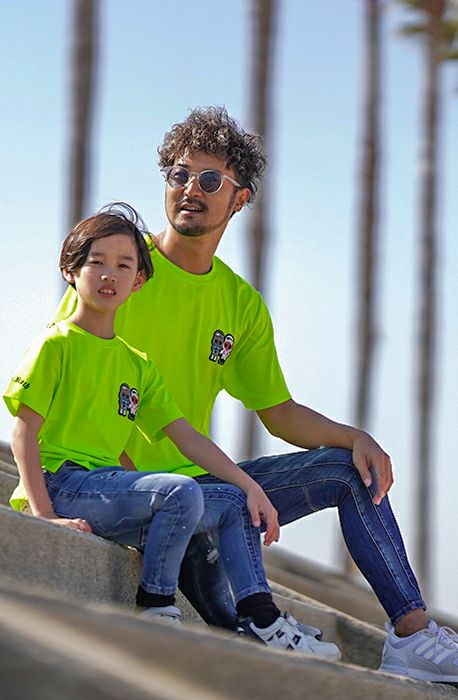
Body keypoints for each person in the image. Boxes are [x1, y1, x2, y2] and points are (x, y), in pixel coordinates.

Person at [52, 109, 458, 690]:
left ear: (239, 199)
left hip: (208, 485)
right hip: (131, 490)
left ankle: (412, 637)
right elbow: (69, 385)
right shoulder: (121, 271)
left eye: (211, 180)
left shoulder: (240, 303)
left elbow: (278, 412)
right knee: (230, 612)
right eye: (180, 174)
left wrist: (355, 437)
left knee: (347, 471)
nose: (190, 189)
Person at [4, 204, 341, 658]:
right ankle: (157, 604)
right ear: (71, 270)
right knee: (180, 491)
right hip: (59, 483)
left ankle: (261, 616)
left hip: (102, 486)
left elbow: (187, 437)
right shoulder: (56, 344)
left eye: (124, 265)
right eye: (96, 262)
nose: (109, 275)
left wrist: (249, 487)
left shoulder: (136, 364)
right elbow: (24, 433)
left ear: (139, 281)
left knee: (230, 499)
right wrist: (43, 514)